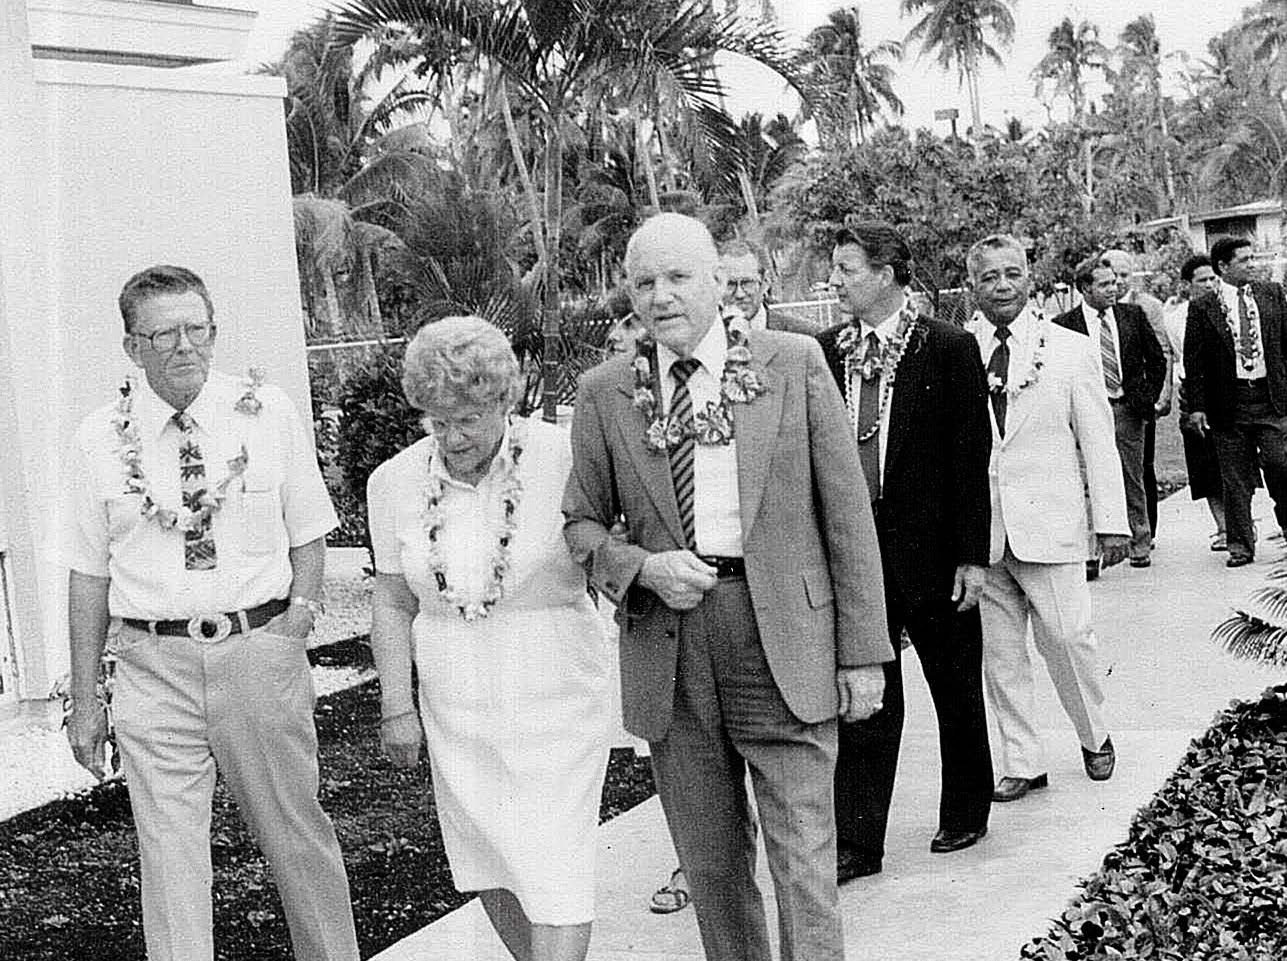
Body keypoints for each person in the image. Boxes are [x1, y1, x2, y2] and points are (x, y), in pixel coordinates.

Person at [563, 212, 891, 961]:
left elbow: (845, 512)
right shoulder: (605, 391)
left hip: (782, 633)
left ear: (719, 279)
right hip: (672, 647)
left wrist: (862, 652)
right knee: (710, 864)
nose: (661, 296)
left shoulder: (793, 360)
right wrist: (641, 568)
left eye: (678, 276)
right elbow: (581, 525)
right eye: (644, 281)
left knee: (804, 858)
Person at [65, 265, 359, 961]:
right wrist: (84, 699)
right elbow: (86, 573)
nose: (183, 345)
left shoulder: (267, 411)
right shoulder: (98, 438)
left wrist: (297, 623)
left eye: (197, 328)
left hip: (257, 649)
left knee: (296, 833)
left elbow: (309, 529)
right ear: (131, 347)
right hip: (150, 663)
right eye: (162, 333)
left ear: (215, 330)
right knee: (168, 856)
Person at [366, 316, 610, 961]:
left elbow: (608, 558)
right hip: (455, 692)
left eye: (468, 419)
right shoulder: (393, 481)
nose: (452, 437)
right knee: (488, 855)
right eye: (436, 421)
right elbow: (392, 600)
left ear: (505, 399)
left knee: (555, 858)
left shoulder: (562, 456)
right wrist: (398, 706)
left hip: (556, 684)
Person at [817, 222, 994, 880]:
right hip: (854, 554)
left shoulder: (946, 346)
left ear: (887, 273)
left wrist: (971, 556)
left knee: (953, 683)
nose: (835, 280)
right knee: (866, 695)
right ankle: (858, 843)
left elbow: (970, 457)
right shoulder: (825, 350)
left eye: (846, 268)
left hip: (933, 550)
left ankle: (965, 808)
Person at [964, 236, 1130, 804]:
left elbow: (1098, 442)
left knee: (1068, 637)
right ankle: (1022, 761)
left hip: (1052, 524)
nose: (1003, 285)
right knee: (1000, 653)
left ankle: (1094, 733)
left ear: (1030, 279)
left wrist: (1112, 521)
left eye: (1013, 274)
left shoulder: (1069, 349)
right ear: (973, 287)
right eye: (990, 277)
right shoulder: (958, 350)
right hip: (982, 533)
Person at [1054, 255, 1166, 570]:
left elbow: (1156, 360)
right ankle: (1090, 552)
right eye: (1104, 284)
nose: (1112, 289)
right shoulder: (1064, 325)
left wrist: (1146, 398)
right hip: (1084, 414)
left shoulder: (1133, 315)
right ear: (1084, 289)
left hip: (1126, 410)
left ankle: (1139, 543)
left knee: (1132, 477)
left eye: (1114, 282)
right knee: (1086, 480)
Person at [1185, 236, 1287, 567]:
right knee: (1235, 479)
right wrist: (1198, 407)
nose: (1252, 264)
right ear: (1223, 267)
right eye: (1244, 260)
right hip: (1229, 405)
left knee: (1280, 464)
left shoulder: (1272, 294)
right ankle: (1240, 545)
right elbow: (1195, 361)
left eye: (1252, 258)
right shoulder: (1203, 307)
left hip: (1270, 399)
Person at [1103, 249, 1174, 544]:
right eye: (1112, 276)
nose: (1118, 282)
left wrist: (1162, 394)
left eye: (1124, 276)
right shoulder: (1094, 308)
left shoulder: (1147, 306)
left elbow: (1163, 350)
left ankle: (1146, 531)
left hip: (1140, 400)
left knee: (1141, 466)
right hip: (1106, 401)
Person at [1165, 254, 1227, 550]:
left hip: (1231, 393)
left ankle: (1242, 522)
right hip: (1194, 394)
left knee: (1235, 463)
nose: (1210, 284)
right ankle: (1223, 527)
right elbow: (1185, 359)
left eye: (1213, 278)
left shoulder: (1230, 308)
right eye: (1202, 280)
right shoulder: (1177, 319)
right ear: (1187, 285)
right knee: (1205, 466)